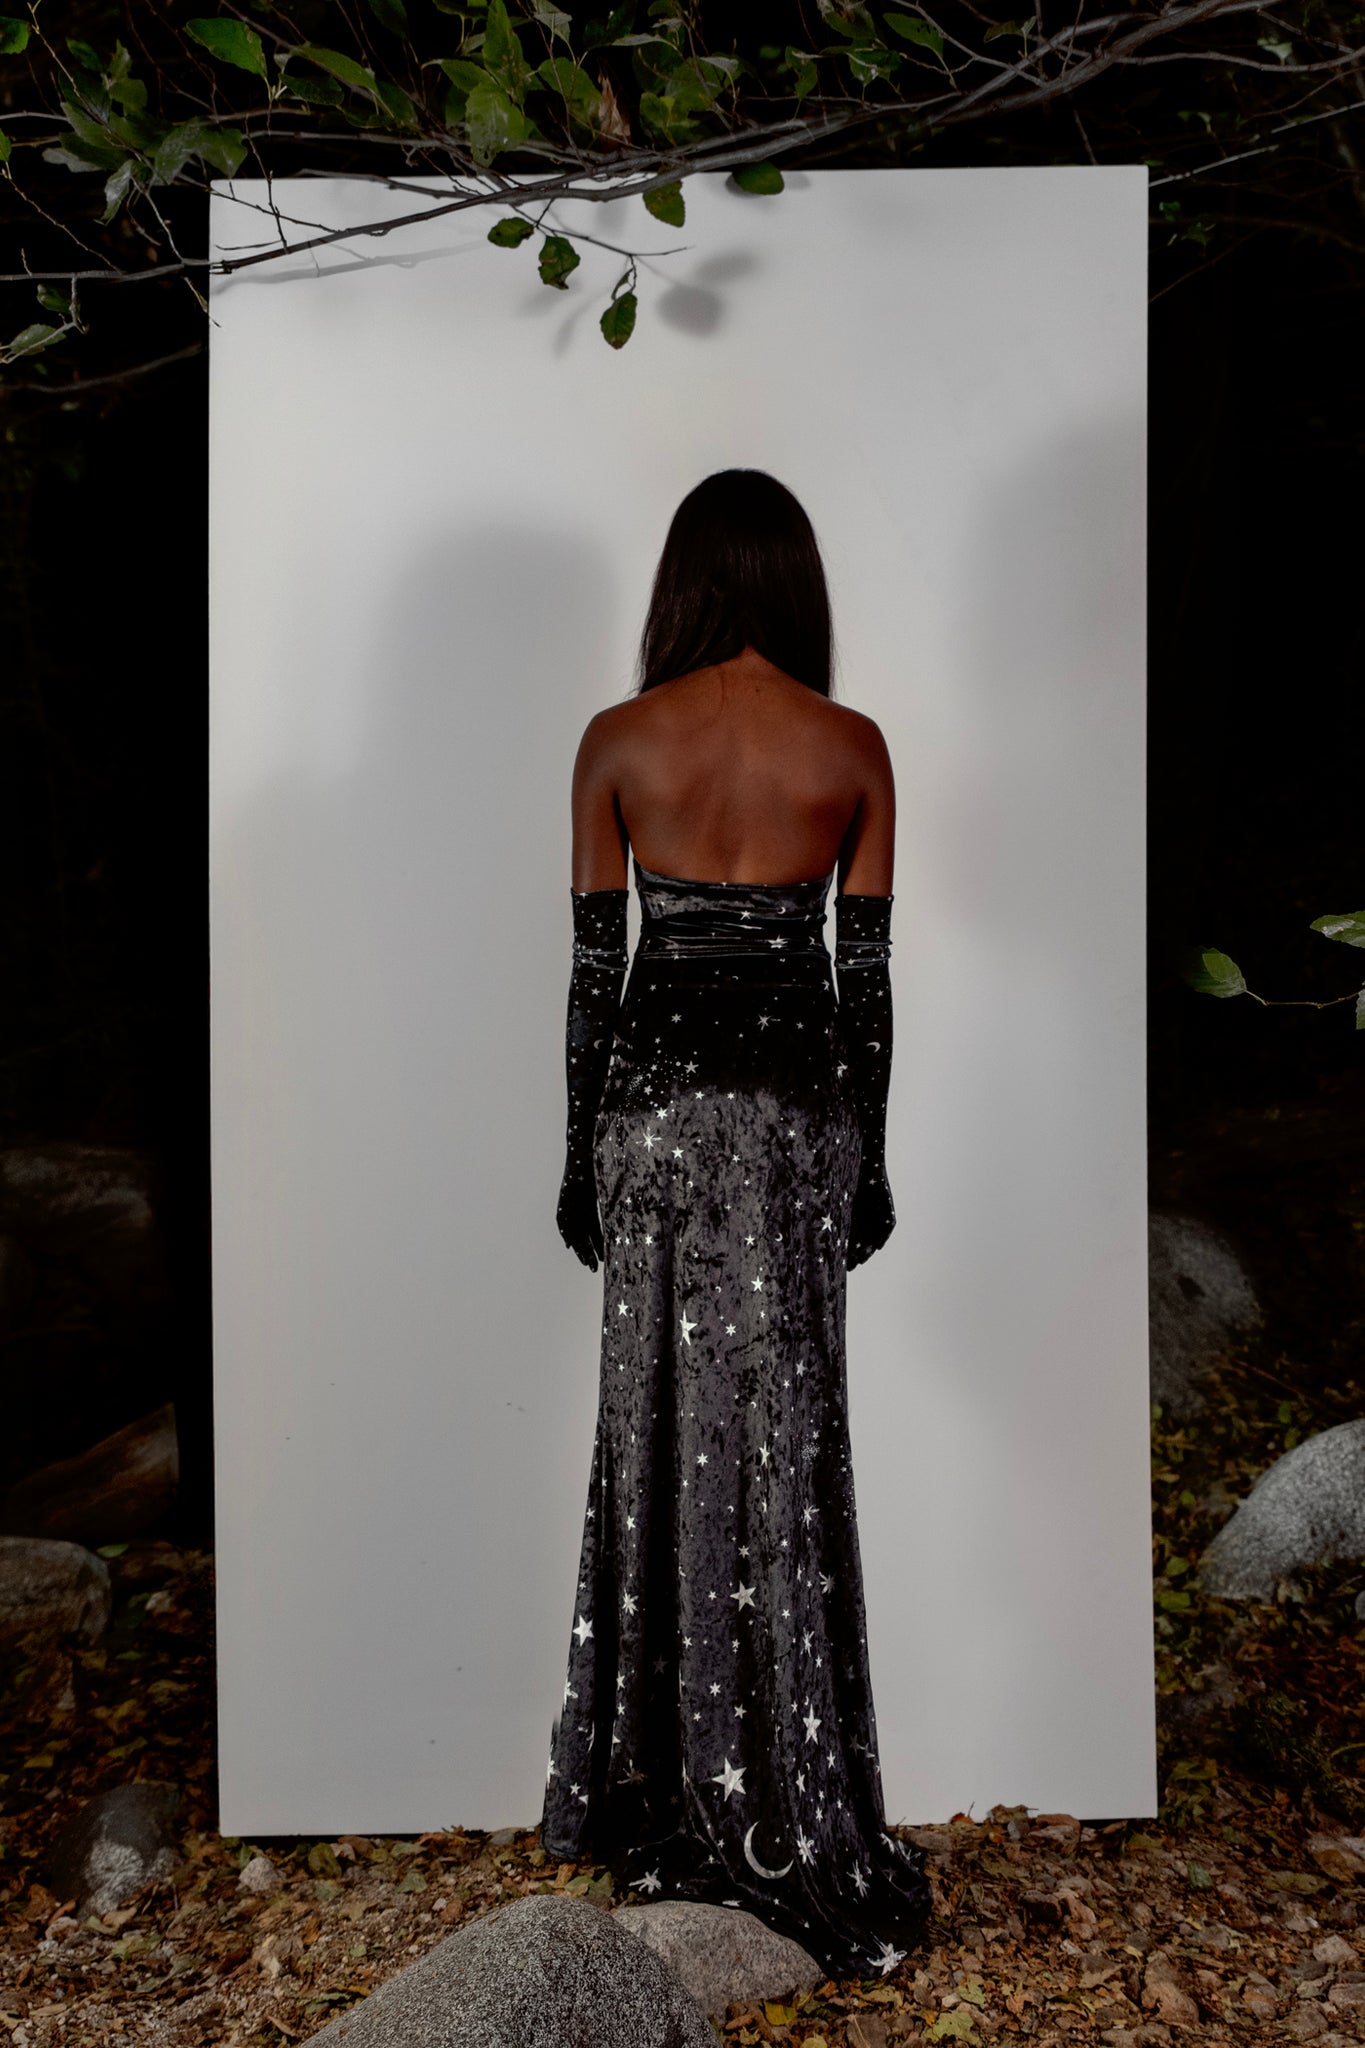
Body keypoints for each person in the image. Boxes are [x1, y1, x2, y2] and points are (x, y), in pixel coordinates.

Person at [538, 469, 930, 1977]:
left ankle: (658, 1800)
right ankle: (790, 1796)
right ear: (796, 581)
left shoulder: (616, 740)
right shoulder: (852, 747)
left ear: (683, 584)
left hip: (649, 1120)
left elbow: (596, 978)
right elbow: (865, 985)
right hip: (794, 1120)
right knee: (783, 1440)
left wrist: (578, 1160)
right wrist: (868, 1162)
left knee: (655, 1436)